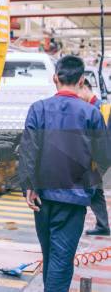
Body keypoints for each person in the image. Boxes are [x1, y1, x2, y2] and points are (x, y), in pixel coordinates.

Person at [18, 55, 110, 292]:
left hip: (42, 198)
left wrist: (28, 186)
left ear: (55, 78)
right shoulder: (91, 114)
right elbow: (104, 157)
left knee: (50, 255)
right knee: (60, 260)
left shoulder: (38, 109)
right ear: (81, 81)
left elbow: (28, 149)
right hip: (73, 199)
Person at [78, 79, 110, 236]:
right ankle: (103, 225)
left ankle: (102, 225)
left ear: (85, 88)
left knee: (91, 189)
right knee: (96, 191)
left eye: (78, 92)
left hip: (99, 159)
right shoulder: (94, 107)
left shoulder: (99, 108)